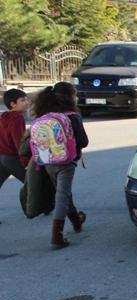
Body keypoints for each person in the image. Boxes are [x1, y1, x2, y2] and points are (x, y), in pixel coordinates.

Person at [31, 82, 89, 249]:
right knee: (62, 195)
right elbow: (83, 142)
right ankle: (57, 236)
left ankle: (77, 221)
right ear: (71, 97)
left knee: (63, 193)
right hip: (67, 161)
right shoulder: (73, 116)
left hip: (47, 160)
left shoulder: (44, 114)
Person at [0, 89, 28, 192]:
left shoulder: (4, 117)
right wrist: (26, 161)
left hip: (2, 157)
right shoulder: (17, 118)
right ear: (13, 104)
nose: (27, 103)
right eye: (23, 100)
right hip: (13, 158)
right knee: (34, 184)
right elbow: (19, 142)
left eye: (26, 99)